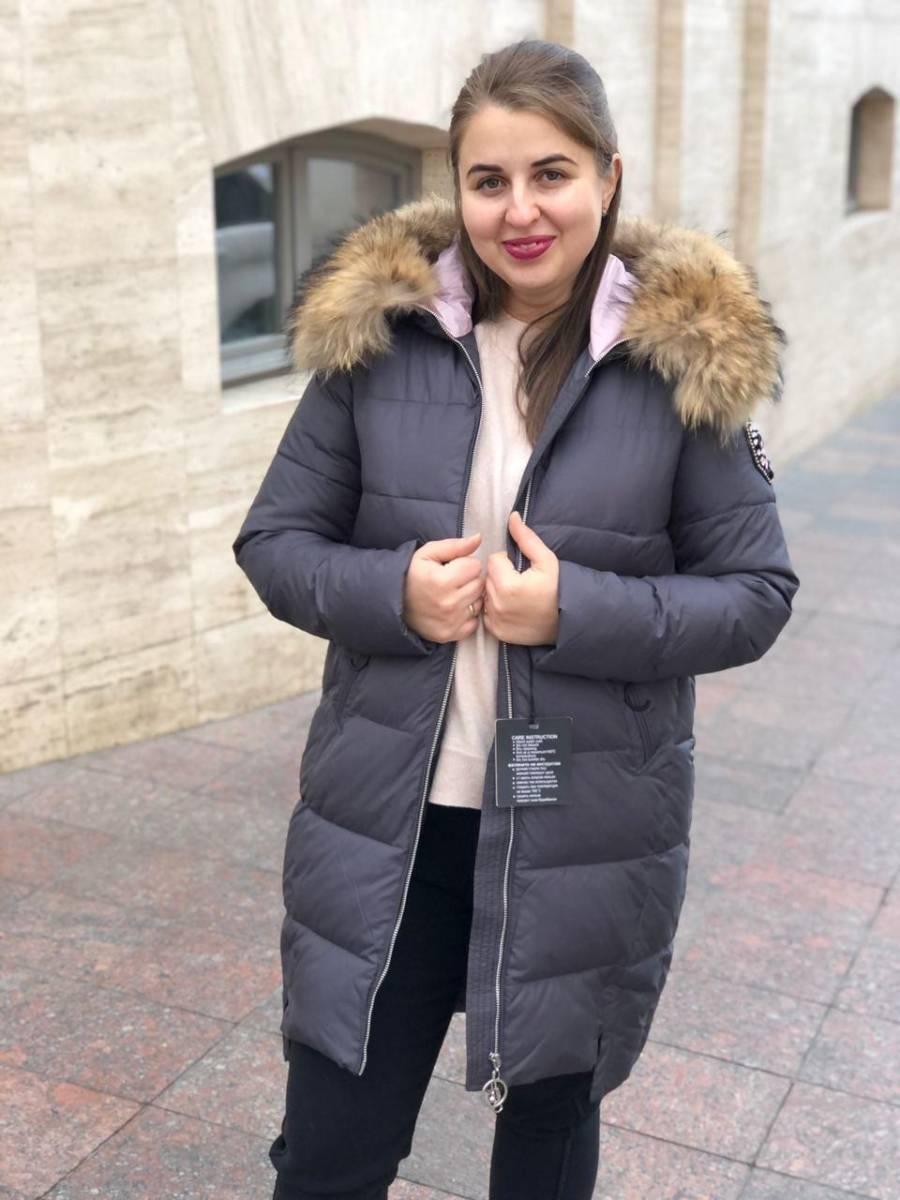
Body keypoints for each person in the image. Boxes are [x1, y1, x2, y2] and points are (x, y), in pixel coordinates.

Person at [233, 38, 800, 1200]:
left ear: (608, 177)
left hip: (581, 830)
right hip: (391, 828)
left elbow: (755, 593)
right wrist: (393, 594)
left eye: (552, 174)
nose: (521, 210)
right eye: (489, 180)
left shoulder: (683, 364)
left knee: (544, 1140)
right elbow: (276, 542)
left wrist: (574, 610)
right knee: (332, 1151)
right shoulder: (379, 341)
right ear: (457, 187)